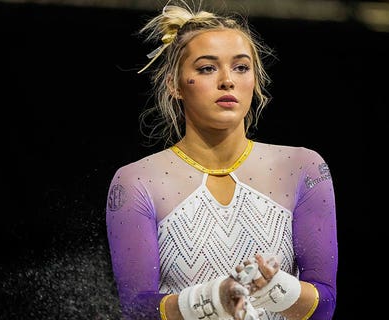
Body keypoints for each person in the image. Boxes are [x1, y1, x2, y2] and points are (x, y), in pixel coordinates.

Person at [105, 1, 338, 319]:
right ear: (174, 84)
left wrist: (277, 289)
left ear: (254, 81)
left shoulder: (303, 168)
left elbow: (325, 305)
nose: (227, 80)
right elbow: (134, 309)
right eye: (206, 68)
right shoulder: (136, 182)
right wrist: (211, 300)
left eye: (241, 67)